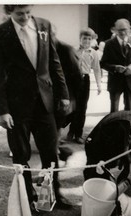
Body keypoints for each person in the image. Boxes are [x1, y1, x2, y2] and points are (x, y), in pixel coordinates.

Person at [0, 5, 71, 210]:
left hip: (45, 102)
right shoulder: (0, 33)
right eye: (19, 14)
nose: (25, 17)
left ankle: (52, 195)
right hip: (16, 106)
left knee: (50, 153)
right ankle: (27, 198)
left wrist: (63, 94)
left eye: (28, 12)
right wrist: (2, 110)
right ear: (10, 12)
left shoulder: (44, 26)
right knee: (21, 154)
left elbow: (54, 62)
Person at [51, 24, 82, 161]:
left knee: (57, 123)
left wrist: (72, 97)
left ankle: (57, 150)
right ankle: (54, 147)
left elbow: (77, 76)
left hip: (64, 95)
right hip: (47, 94)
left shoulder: (66, 50)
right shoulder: (43, 49)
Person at [67, 28, 102, 144]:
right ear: (80, 39)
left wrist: (99, 84)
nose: (86, 41)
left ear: (92, 40)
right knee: (72, 107)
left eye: (89, 39)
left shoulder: (94, 53)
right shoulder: (73, 50)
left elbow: (97, 69)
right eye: (84, 38)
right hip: (72, 81)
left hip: (84, 80)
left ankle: (78, 134)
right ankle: (71, 131)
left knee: (82, 108)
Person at [101, 19, 131, 113]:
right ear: (115, 30)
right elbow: (103, 63)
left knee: (128, 110)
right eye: (119, 30)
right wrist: (115, 68)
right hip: (115, 81)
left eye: (125, 29)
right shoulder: (109, 44)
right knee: (114, 111)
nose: (122, 32)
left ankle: (126, 127)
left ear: (129, 29)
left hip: (130, 80)